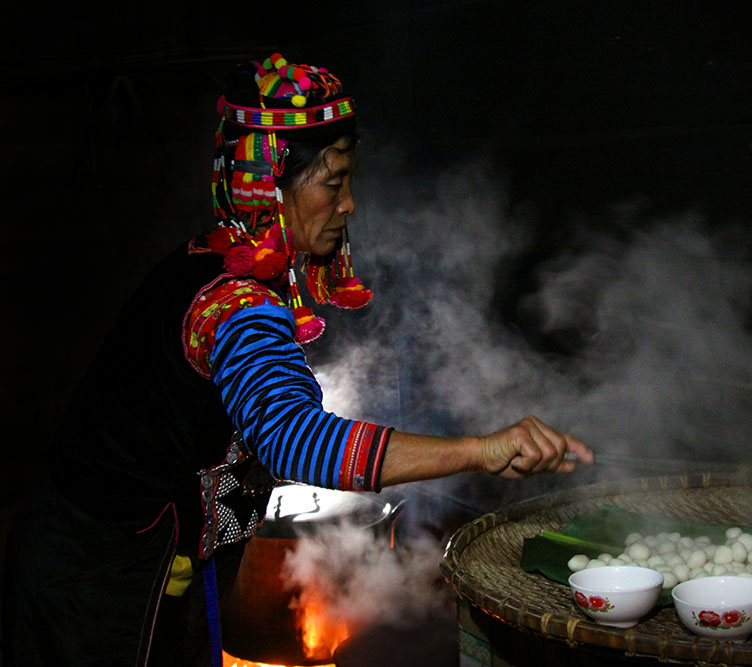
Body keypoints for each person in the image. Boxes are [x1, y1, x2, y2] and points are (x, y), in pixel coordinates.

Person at [1, 53, 593, 667]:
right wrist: (478, 450)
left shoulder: (220, 259)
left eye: (349, 182)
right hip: (95, 581)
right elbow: (291, 436)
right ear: (270, 184)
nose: (349, 205)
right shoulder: (232, 303)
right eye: (333, 183)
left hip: (149, 560)